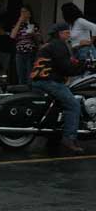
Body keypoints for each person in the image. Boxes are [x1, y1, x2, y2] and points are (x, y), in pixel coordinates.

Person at [31, 23, 86, 154]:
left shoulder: (49, 44)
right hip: (49, 81)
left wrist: (78, 64)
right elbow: (65, 67)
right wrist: (83, 67)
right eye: (67, 32)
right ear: (60, 33)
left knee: (60, 104)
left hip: (40, 80)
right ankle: (69, 138)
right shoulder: (59, 45)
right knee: (73, 105)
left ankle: (53, 136)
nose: (69, 35)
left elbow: (65, 62)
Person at [10, 5, 40, 84]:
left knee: (30, 75)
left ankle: (30, 91)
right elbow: (12, 36)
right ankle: (22, 93)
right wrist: (19, 21)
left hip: (31, 52)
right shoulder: (17, 25)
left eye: (25, 11)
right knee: (21, 75)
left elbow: (39, 40)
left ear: (29, 14)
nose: (23, 14)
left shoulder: (34, 25)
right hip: (20, 52)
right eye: (21, 12)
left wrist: (34, 34)